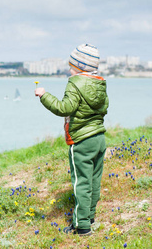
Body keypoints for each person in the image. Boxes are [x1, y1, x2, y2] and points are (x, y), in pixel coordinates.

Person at [35, 44, 109, 236]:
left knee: (81, 183)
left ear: (79, 66)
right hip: (99, 138)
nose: (69, 69)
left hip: (81, 140)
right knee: (94, 180)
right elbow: (104, 108)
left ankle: (82, 226)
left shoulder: (75, 83)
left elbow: (64, 108)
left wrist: (44, 96)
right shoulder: (100, 83)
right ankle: (90, 215)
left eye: (71, 65)